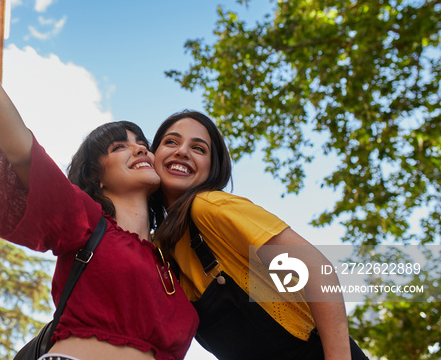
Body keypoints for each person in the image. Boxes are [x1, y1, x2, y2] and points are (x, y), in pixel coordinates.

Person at [0, 0, 198, 360]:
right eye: (120, 146)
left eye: (143, 143)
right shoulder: (83, 219)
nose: (139, 147)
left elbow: (287, 284)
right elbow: (17, 143)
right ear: (97, 176)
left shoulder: (177, 260)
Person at [149, 110, 368, 360]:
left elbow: (317, 270)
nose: (182, 151)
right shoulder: (160, 248)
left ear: (212, 169)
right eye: (171, 142)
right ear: (152, 156)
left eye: (199, 148)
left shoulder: (208, 206)